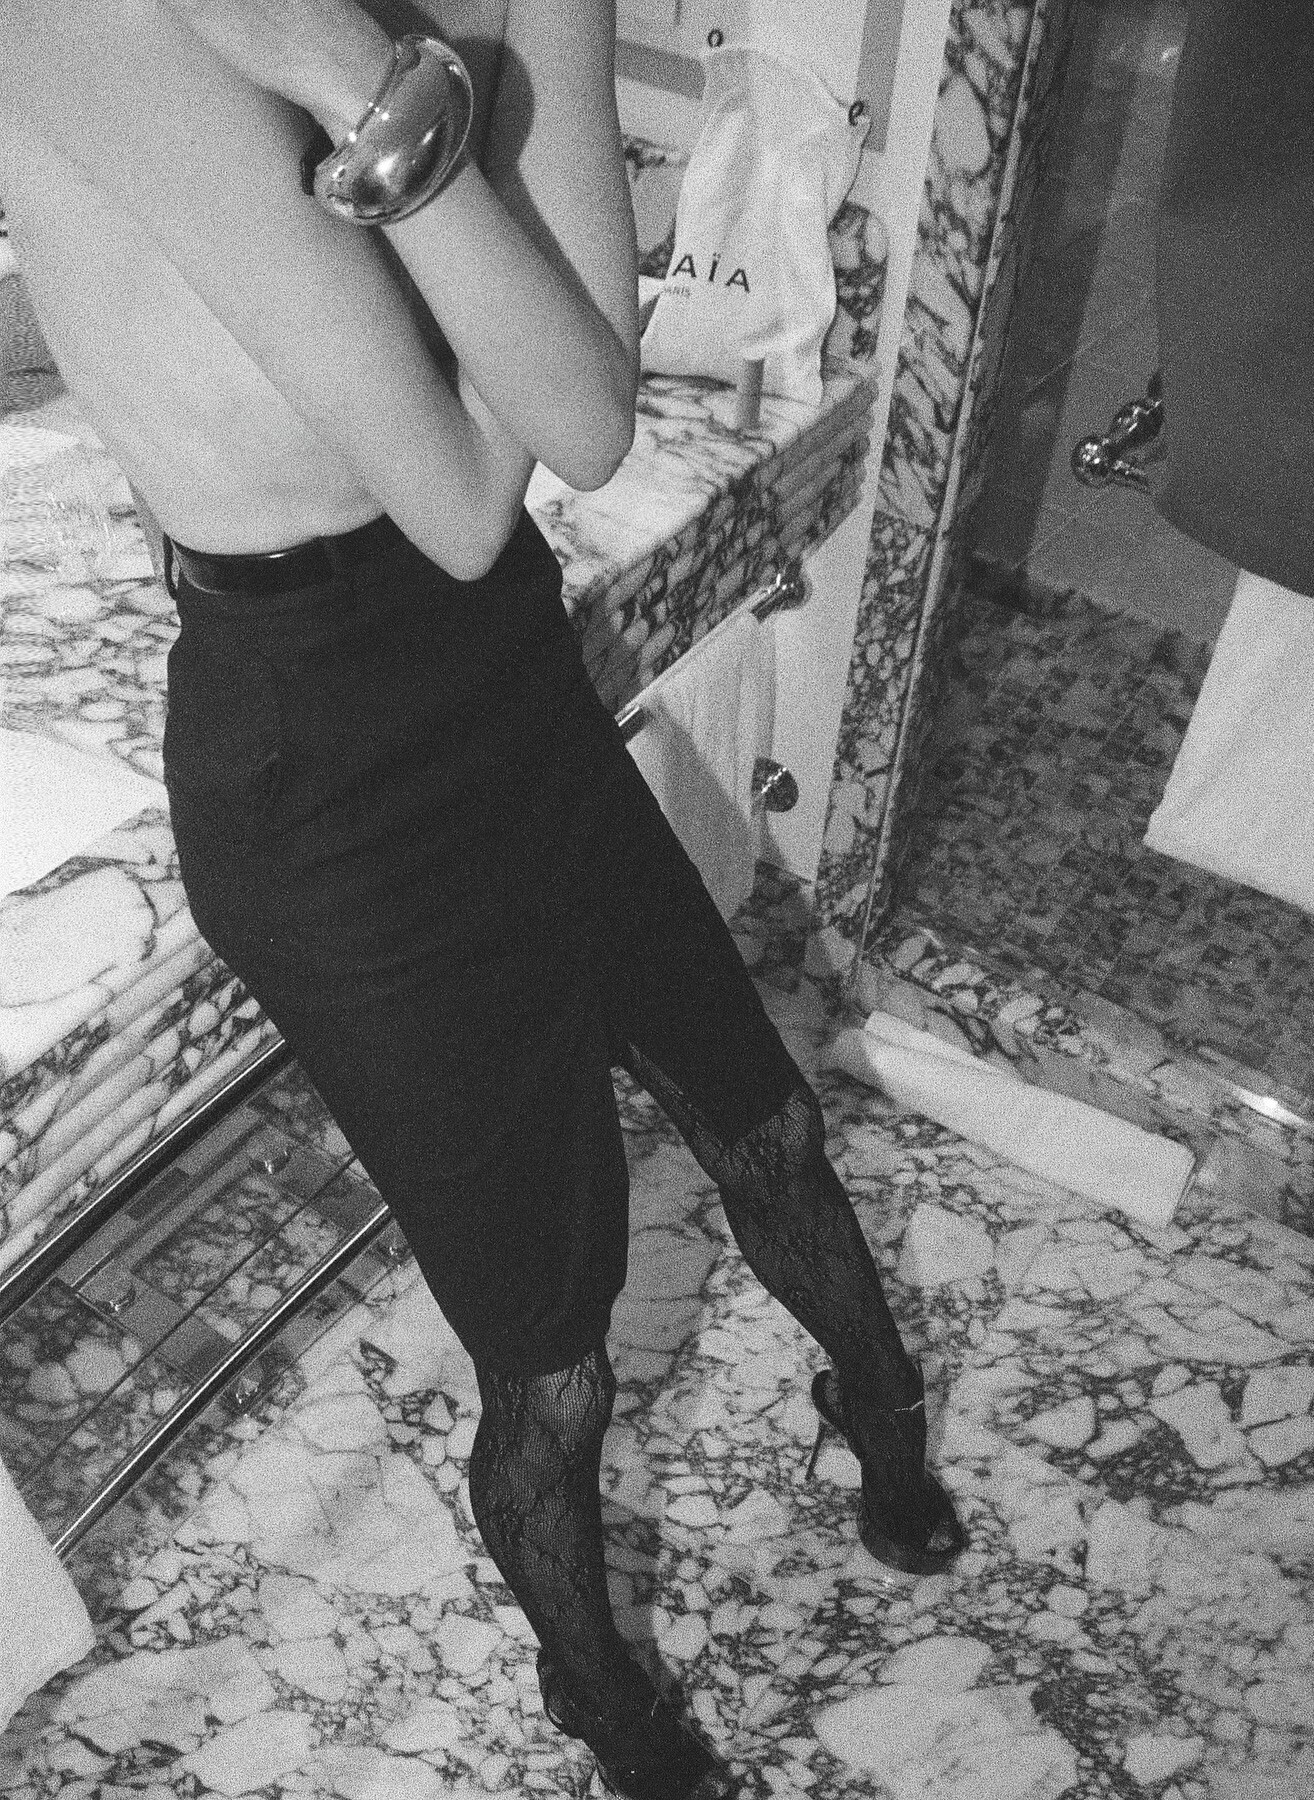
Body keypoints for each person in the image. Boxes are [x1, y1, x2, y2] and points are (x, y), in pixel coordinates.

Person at [0, 3, 964, 1795]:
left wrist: (368, 78)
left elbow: (579, 420)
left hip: (507, 674)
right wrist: (354, 77)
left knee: (765, 1123)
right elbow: (459, 484)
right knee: (556, 1353)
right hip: (323, 774)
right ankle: (597, 1692)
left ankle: (884, 1413)